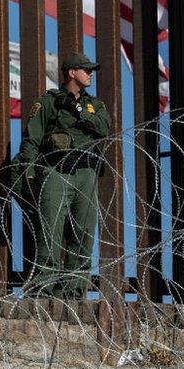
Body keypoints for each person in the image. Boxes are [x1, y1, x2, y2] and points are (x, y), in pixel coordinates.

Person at [16, 52, 112, 299]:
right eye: (85, 69)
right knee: (50, 232)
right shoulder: (48, 103)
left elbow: (104, 128)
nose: (90, 74)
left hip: (86, 173)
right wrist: (28, 174)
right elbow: (32, 140)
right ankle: (45, 289)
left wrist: (81, 112)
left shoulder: (95, 105)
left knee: (84, 234)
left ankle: (74, 291)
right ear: (72, 72)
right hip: (55, 171)